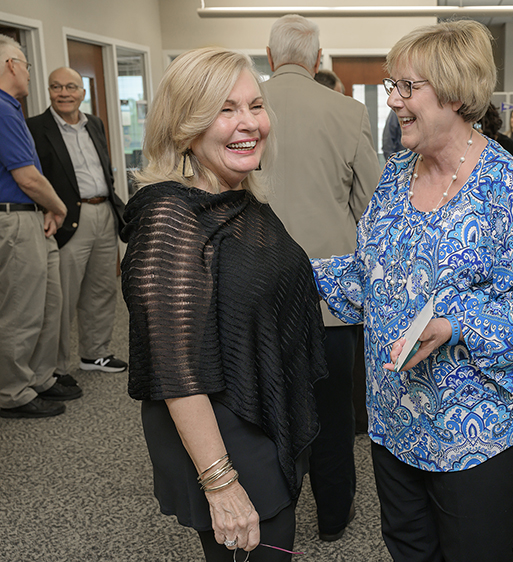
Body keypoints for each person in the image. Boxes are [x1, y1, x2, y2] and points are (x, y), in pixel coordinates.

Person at [312, 20, 513, 562]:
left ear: (453, 93)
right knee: (410, 552)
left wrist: (454, 325)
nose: (394, 102)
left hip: (480, 433)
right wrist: (292, 269)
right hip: (396, 420)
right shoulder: (397, 174)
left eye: (408, 88)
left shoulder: (506, 187)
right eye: (392, 86)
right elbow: (367, 278)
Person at [121, 47, 327, 562]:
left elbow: (277, 281)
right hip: (220, 429)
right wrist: (220, 483)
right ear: (185, 125)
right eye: (225, 109)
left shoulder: (237, 198)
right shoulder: (169, 216)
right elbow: (173, 368)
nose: (249, 124)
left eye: (255, 106)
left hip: (257, 408)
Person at [260, 14, 380, 542]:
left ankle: (271, 517)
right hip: (329, 297)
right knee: (332, 414)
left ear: (269, 57)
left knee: (264, 411)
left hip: (257, 292)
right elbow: (373, 209)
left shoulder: (242, 109)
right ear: (317, 60)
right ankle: (333, 517)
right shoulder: (348, 113)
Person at [27, 67, 127, 382]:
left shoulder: (94, 124)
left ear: (82, 92)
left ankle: (94, 353)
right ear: (48, 91)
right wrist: (42, 208)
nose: (64, 93)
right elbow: (28, 177)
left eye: (71, 87)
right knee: (61, 299)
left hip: (102, 213)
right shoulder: (35, 128)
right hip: (67, 219)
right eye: (57, 87)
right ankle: (54, 369)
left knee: (102, 289)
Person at [0, 36, 80, 419]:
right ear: (12, 65)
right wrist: (59, 207)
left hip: (33, 215)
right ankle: (12, 392)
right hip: (16, 219)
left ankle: (40, 377)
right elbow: (28, 177)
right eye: (27, 65)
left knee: (49, 304)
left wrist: (45, 208)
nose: (30, 73)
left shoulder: (11, 107)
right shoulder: (1, 108)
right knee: (21, 312)